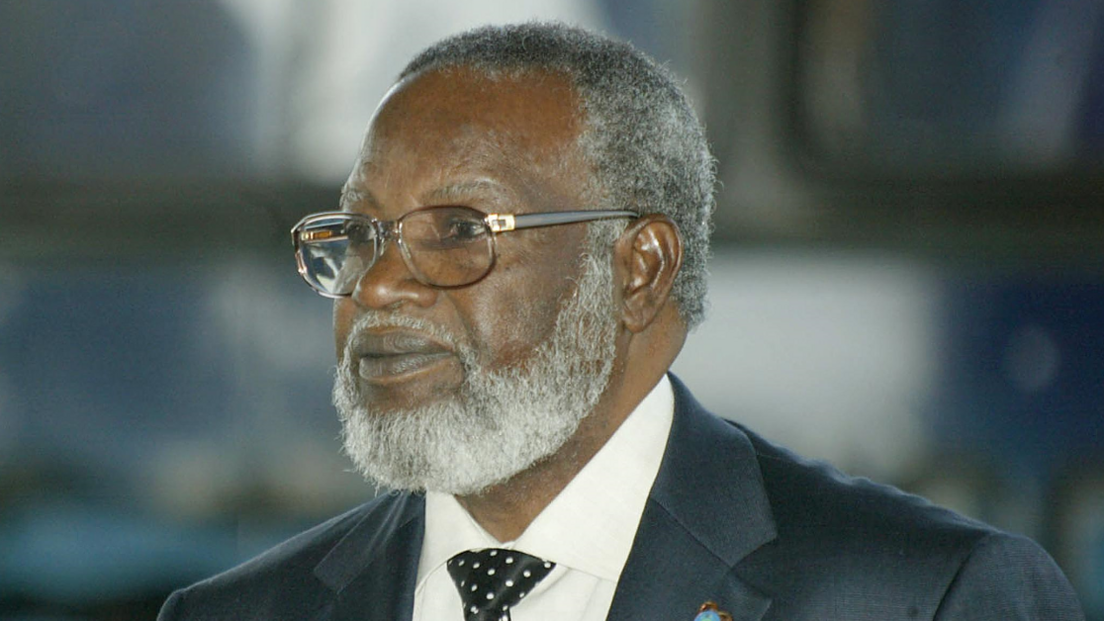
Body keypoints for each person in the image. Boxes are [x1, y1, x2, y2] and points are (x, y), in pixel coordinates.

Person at [158, 22, 1084, 621]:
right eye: (361, 235)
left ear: (638, 268)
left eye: (457, 231)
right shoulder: (237, 612)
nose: (383, 285)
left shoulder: (928, 597)